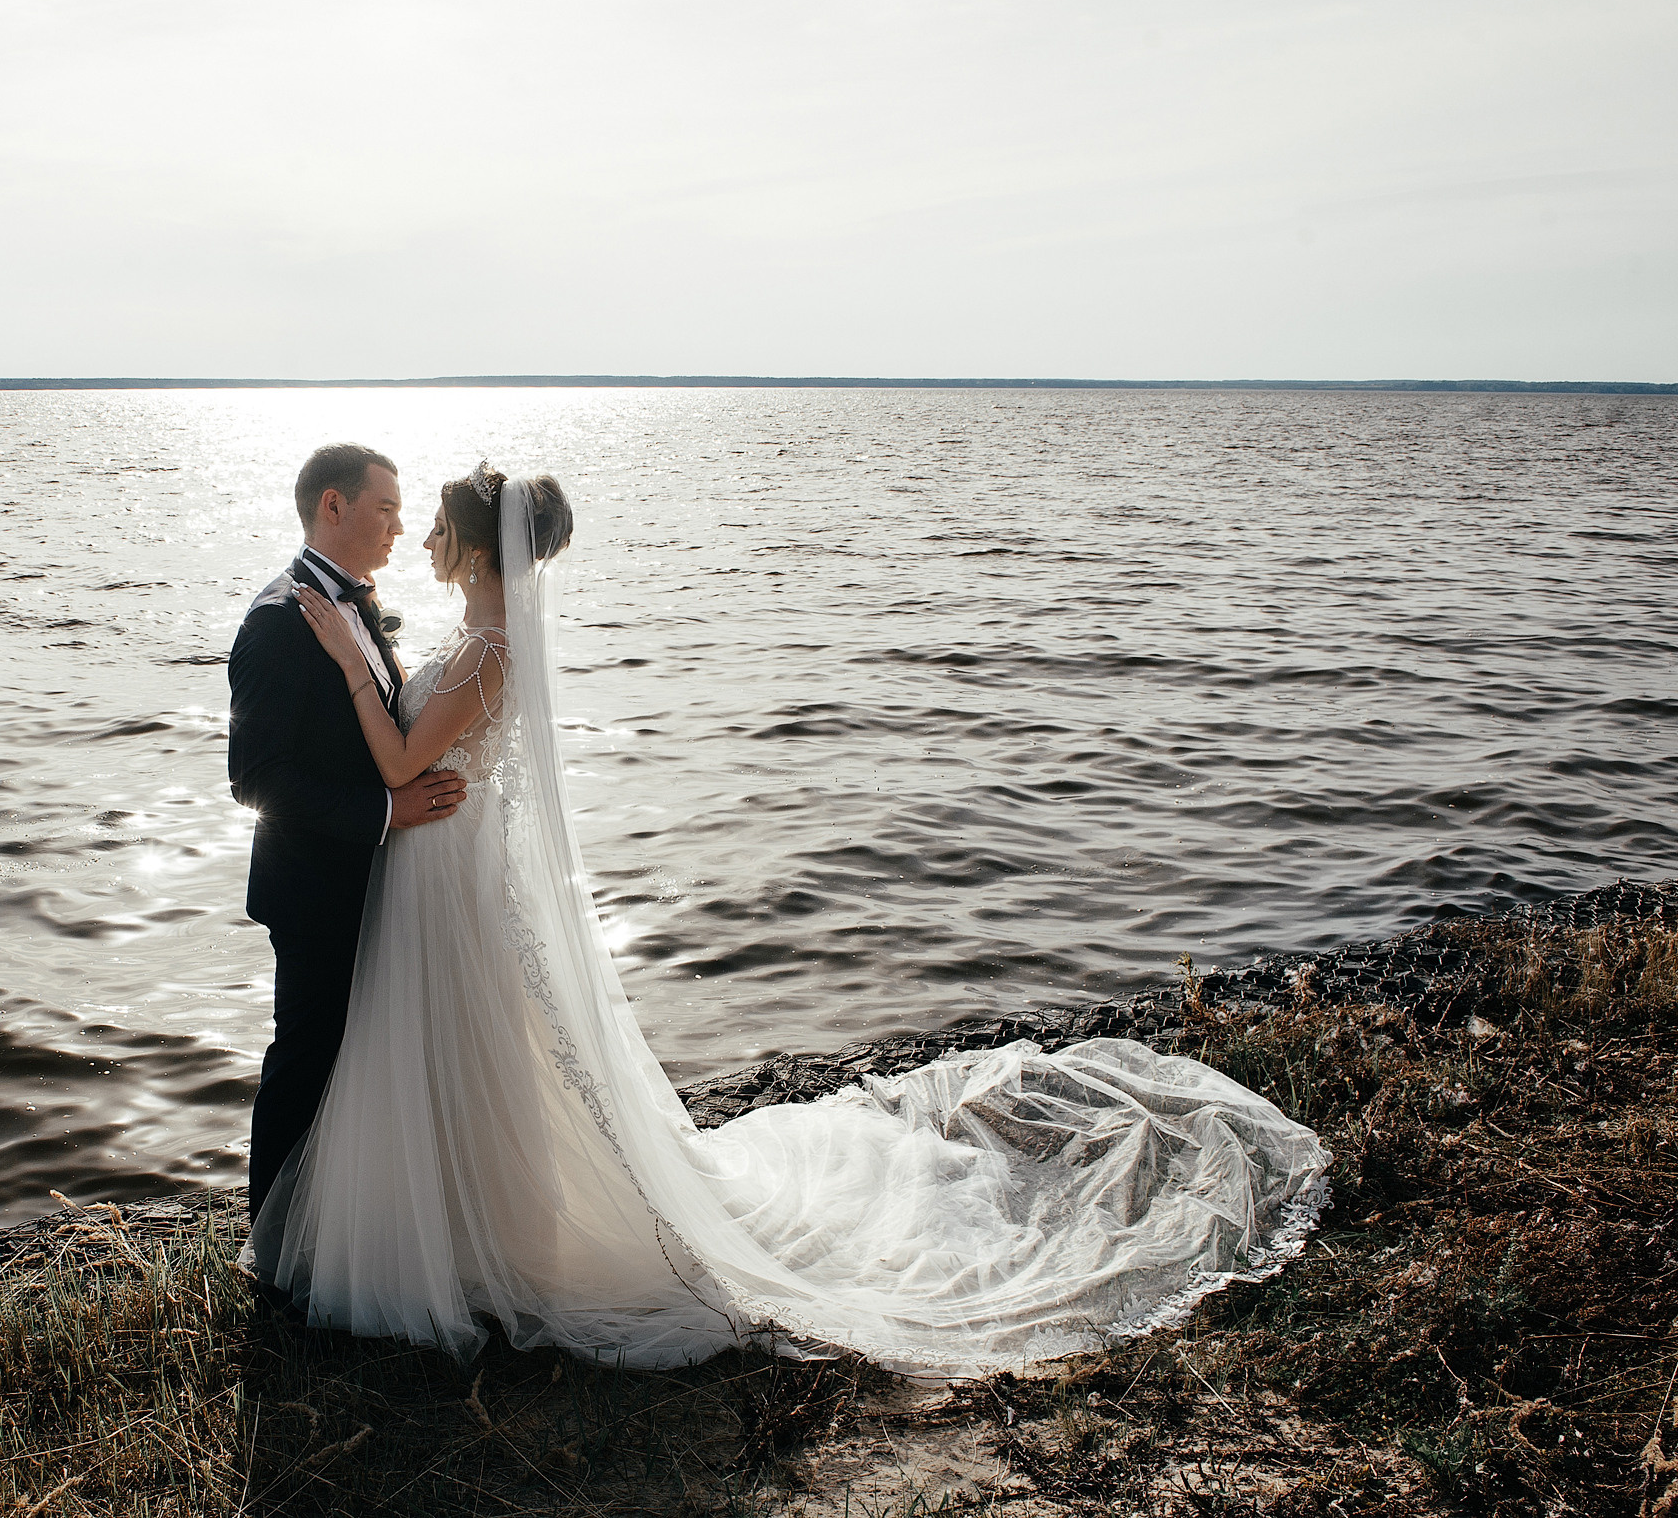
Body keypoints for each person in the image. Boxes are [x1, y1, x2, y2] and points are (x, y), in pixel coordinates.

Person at [241, 459, 1331, 1374]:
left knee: (473, 1051)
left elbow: (396, 754)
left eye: (430, 521)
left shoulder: (485, 654)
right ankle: (463, 1219)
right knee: (466, 1056)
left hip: (445, 870)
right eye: (401, 513)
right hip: (438, 866)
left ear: (477, 550)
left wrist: (346, 665)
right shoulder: (473, 639)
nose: (417, 534)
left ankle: (480, 1237)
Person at [226, 443, 468, 1222]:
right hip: (317, 888)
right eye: (385, 508)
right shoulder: (277, 622)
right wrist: (387, 814)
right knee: (306, 1061)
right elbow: (255, 778)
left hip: (379, 881)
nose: (400, 526)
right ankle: (274, 1244)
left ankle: (344, 1231)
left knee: (363, 1064)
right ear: (333, 506)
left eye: (402, 511)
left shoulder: (352, 605)